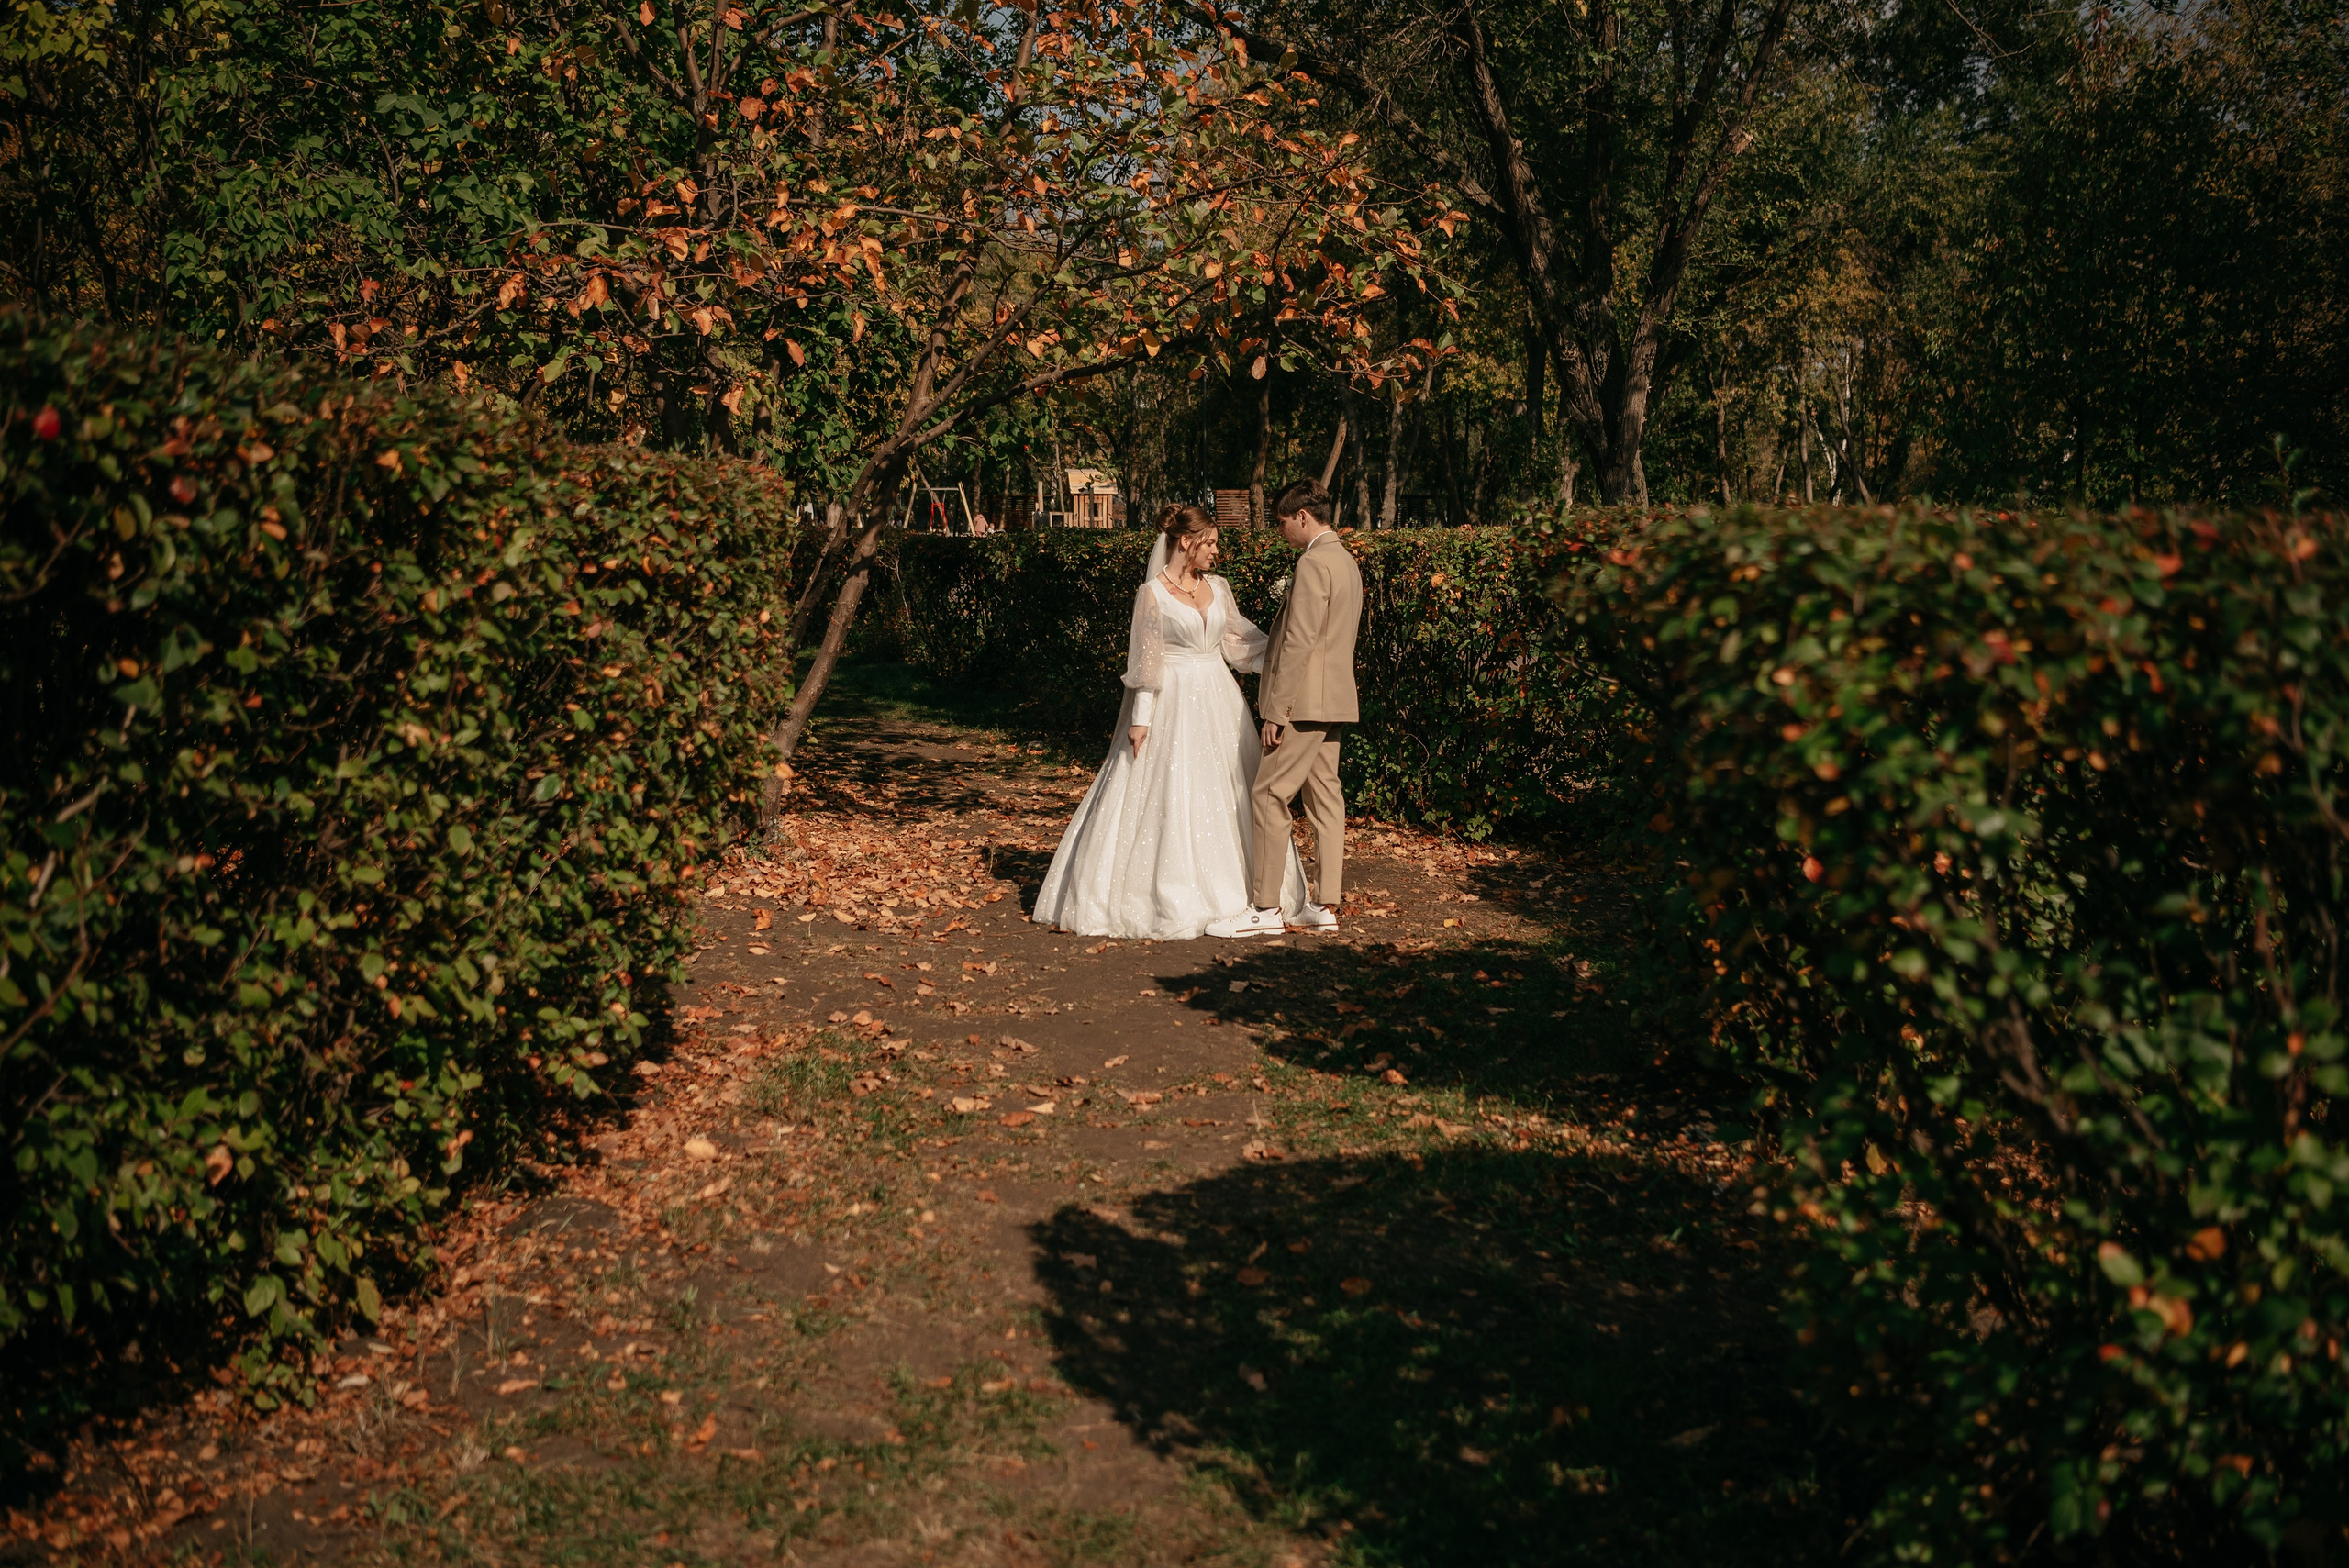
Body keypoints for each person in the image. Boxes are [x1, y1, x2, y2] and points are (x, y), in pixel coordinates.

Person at [1032, 505, 1308, 940]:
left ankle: (1251, 892)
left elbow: (1240, 645)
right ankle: (1173, 893)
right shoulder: (1152, 594)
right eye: (1209, 543)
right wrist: (1140, 720)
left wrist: (1288, 654)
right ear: (1186, 541)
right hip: (1172, 702)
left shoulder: (1219, 587)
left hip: (1220, 699)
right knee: (1171, 791)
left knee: (1231, 789)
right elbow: (1148, 662)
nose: (1216, 551)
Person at [1206, 478, 1361, 939]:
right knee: (1326, 800)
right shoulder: (1346, 561)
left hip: (1302, 704)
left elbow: (1299, 642)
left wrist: (1277, 710)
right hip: (1332, 701)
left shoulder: (1313, 562)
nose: (1281, 531)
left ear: (1303, 517)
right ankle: (1325, 905)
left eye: (1282, 522)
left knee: (1269, 795)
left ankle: (1266, 907)